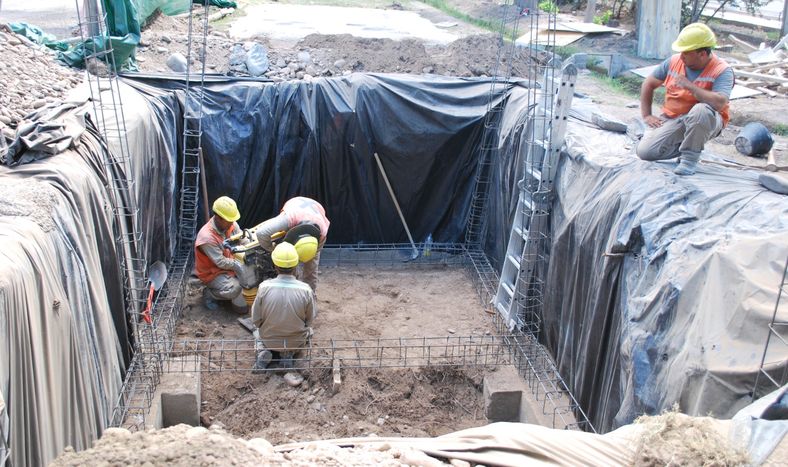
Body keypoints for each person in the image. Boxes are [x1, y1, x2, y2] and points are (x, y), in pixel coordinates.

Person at [636, 23, 733, 176]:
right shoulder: (674, 61)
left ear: (702, 54)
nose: (681, 56)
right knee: (645, 152)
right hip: (675, 119)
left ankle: (689, 159)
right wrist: (647, 115)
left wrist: (691, 87)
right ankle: (688, 145)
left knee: (701, 110)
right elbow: (649, 83)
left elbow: (720, 103)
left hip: (707, 120)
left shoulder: (722, 70)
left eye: (686, 53)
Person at [251, 242, 316, 372]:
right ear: (296, 265)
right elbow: (309, 321)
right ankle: (288, 354)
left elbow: (256, 320)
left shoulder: (264, 287)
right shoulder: (306, 290)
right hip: (295, 341)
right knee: (310, 332)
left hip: (269, 340)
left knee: (256, 331)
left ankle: (263, 350)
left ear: (275, 266)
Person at [254, 196, 329, 292]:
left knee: (311, 268)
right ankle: (291, 290)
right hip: (295, 205)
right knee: (289, 263)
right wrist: (274, 249)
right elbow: (261, 233)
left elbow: (311, 264)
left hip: (316, 208)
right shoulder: (288, 218)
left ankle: (310, 295)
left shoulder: (322, 233)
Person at [194, 196, 246, 312]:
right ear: (218, 217)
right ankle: (210, 294)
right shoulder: (207, 237)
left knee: (252, 277)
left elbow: (243, 239)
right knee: (235, 289)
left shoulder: (230, 224)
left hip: (229, 266)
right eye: (229, 220)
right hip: (213, 273)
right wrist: (239, 266)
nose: (232, 223)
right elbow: (221, 262)